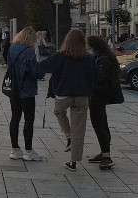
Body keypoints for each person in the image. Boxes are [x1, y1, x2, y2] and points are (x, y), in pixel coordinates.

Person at [40, 29, 98, 171]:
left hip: (63, 93)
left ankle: (68, 135)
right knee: (79, 129)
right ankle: (73, 161)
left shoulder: (61, 56)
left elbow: (43, 66)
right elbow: (96, 75)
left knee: (58, 112)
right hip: (82, 95)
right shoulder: (88, 57)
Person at [6, 27, 46, 162]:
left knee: (15, 117)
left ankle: (15, 149)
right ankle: (28, 151)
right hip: (27, 90)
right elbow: (35, 72)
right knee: (29, 119)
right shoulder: (28, 51)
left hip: (14, 88)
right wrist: (42, 70)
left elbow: (9, 65)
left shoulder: (12, 48)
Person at [85, 36, 124, 170]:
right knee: (101, 123)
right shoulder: (103, 57)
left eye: (88, 45)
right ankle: (104, 152)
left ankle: (106, 156)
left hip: (98, 95)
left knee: (99, 124)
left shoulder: (103, 59)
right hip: (99, 94)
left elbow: (100, 77)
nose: (87, 48)